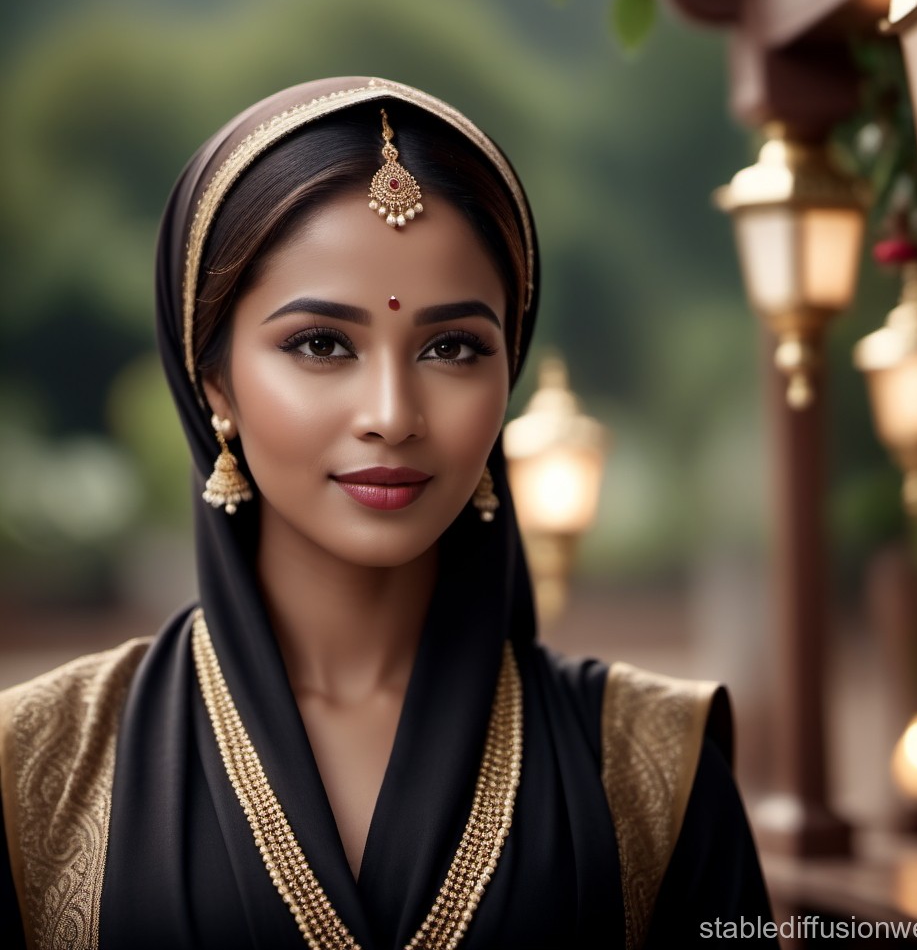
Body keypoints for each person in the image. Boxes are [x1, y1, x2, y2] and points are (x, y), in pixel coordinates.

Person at [0, 77, 777, 949]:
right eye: (322, 344)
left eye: (453, 348)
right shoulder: (35, 768)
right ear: (212, 380)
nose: (393, 413)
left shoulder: (656, 770)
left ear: (507, 372)